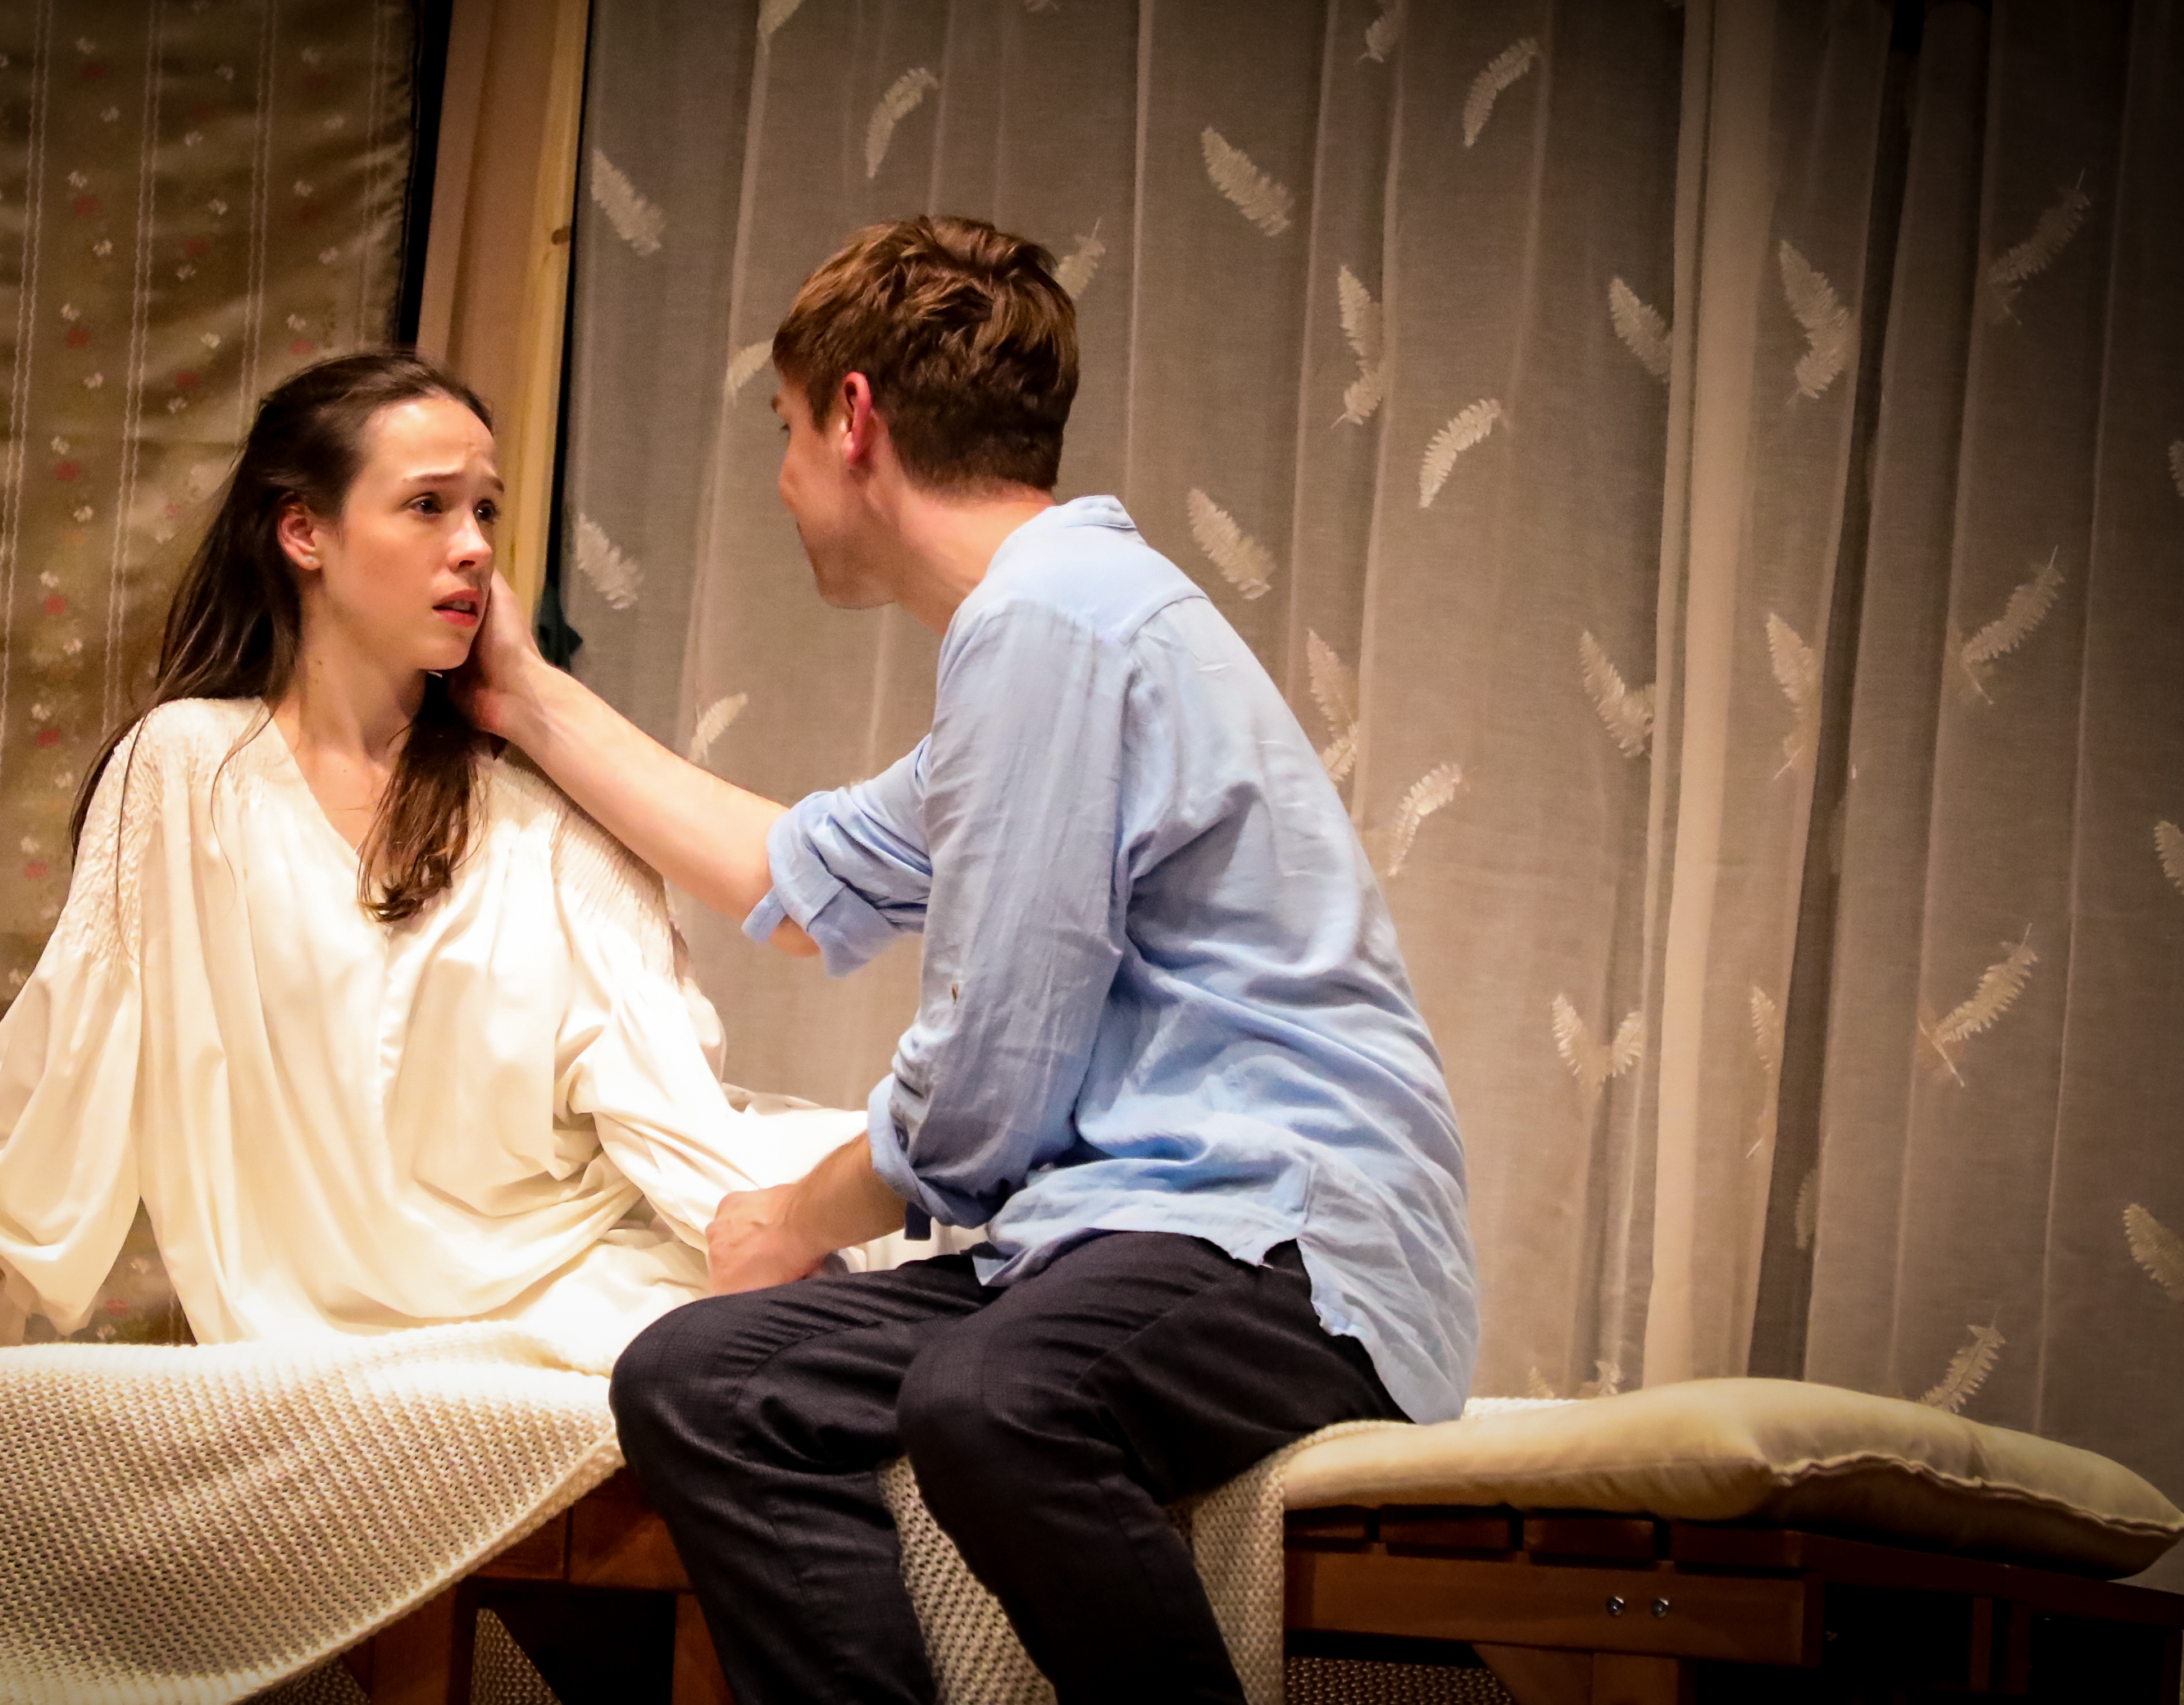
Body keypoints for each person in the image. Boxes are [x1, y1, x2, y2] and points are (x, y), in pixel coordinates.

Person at [453, 216, 1478, 1703]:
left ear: (852, 417)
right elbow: (796, 878)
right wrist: (523, 699)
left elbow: (988, 1084)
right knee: (701, 1379)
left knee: (994, 1399)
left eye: (783, 430)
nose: (781, 477)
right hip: (1116, 1241)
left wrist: (789, 1215)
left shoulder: (1051, 622)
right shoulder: (1050, 625)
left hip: (1283, 1251)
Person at [0, 349, 859, 1368]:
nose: (474, 548)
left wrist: (810, 1269)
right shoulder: (188, 769)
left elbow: (666, 1113)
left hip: (582, 1300)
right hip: (308, 1342)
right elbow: (60, 1075)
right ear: (304, 531)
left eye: (485, 510)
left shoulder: (548, 828)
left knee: (887, 1234)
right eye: (428, 506)